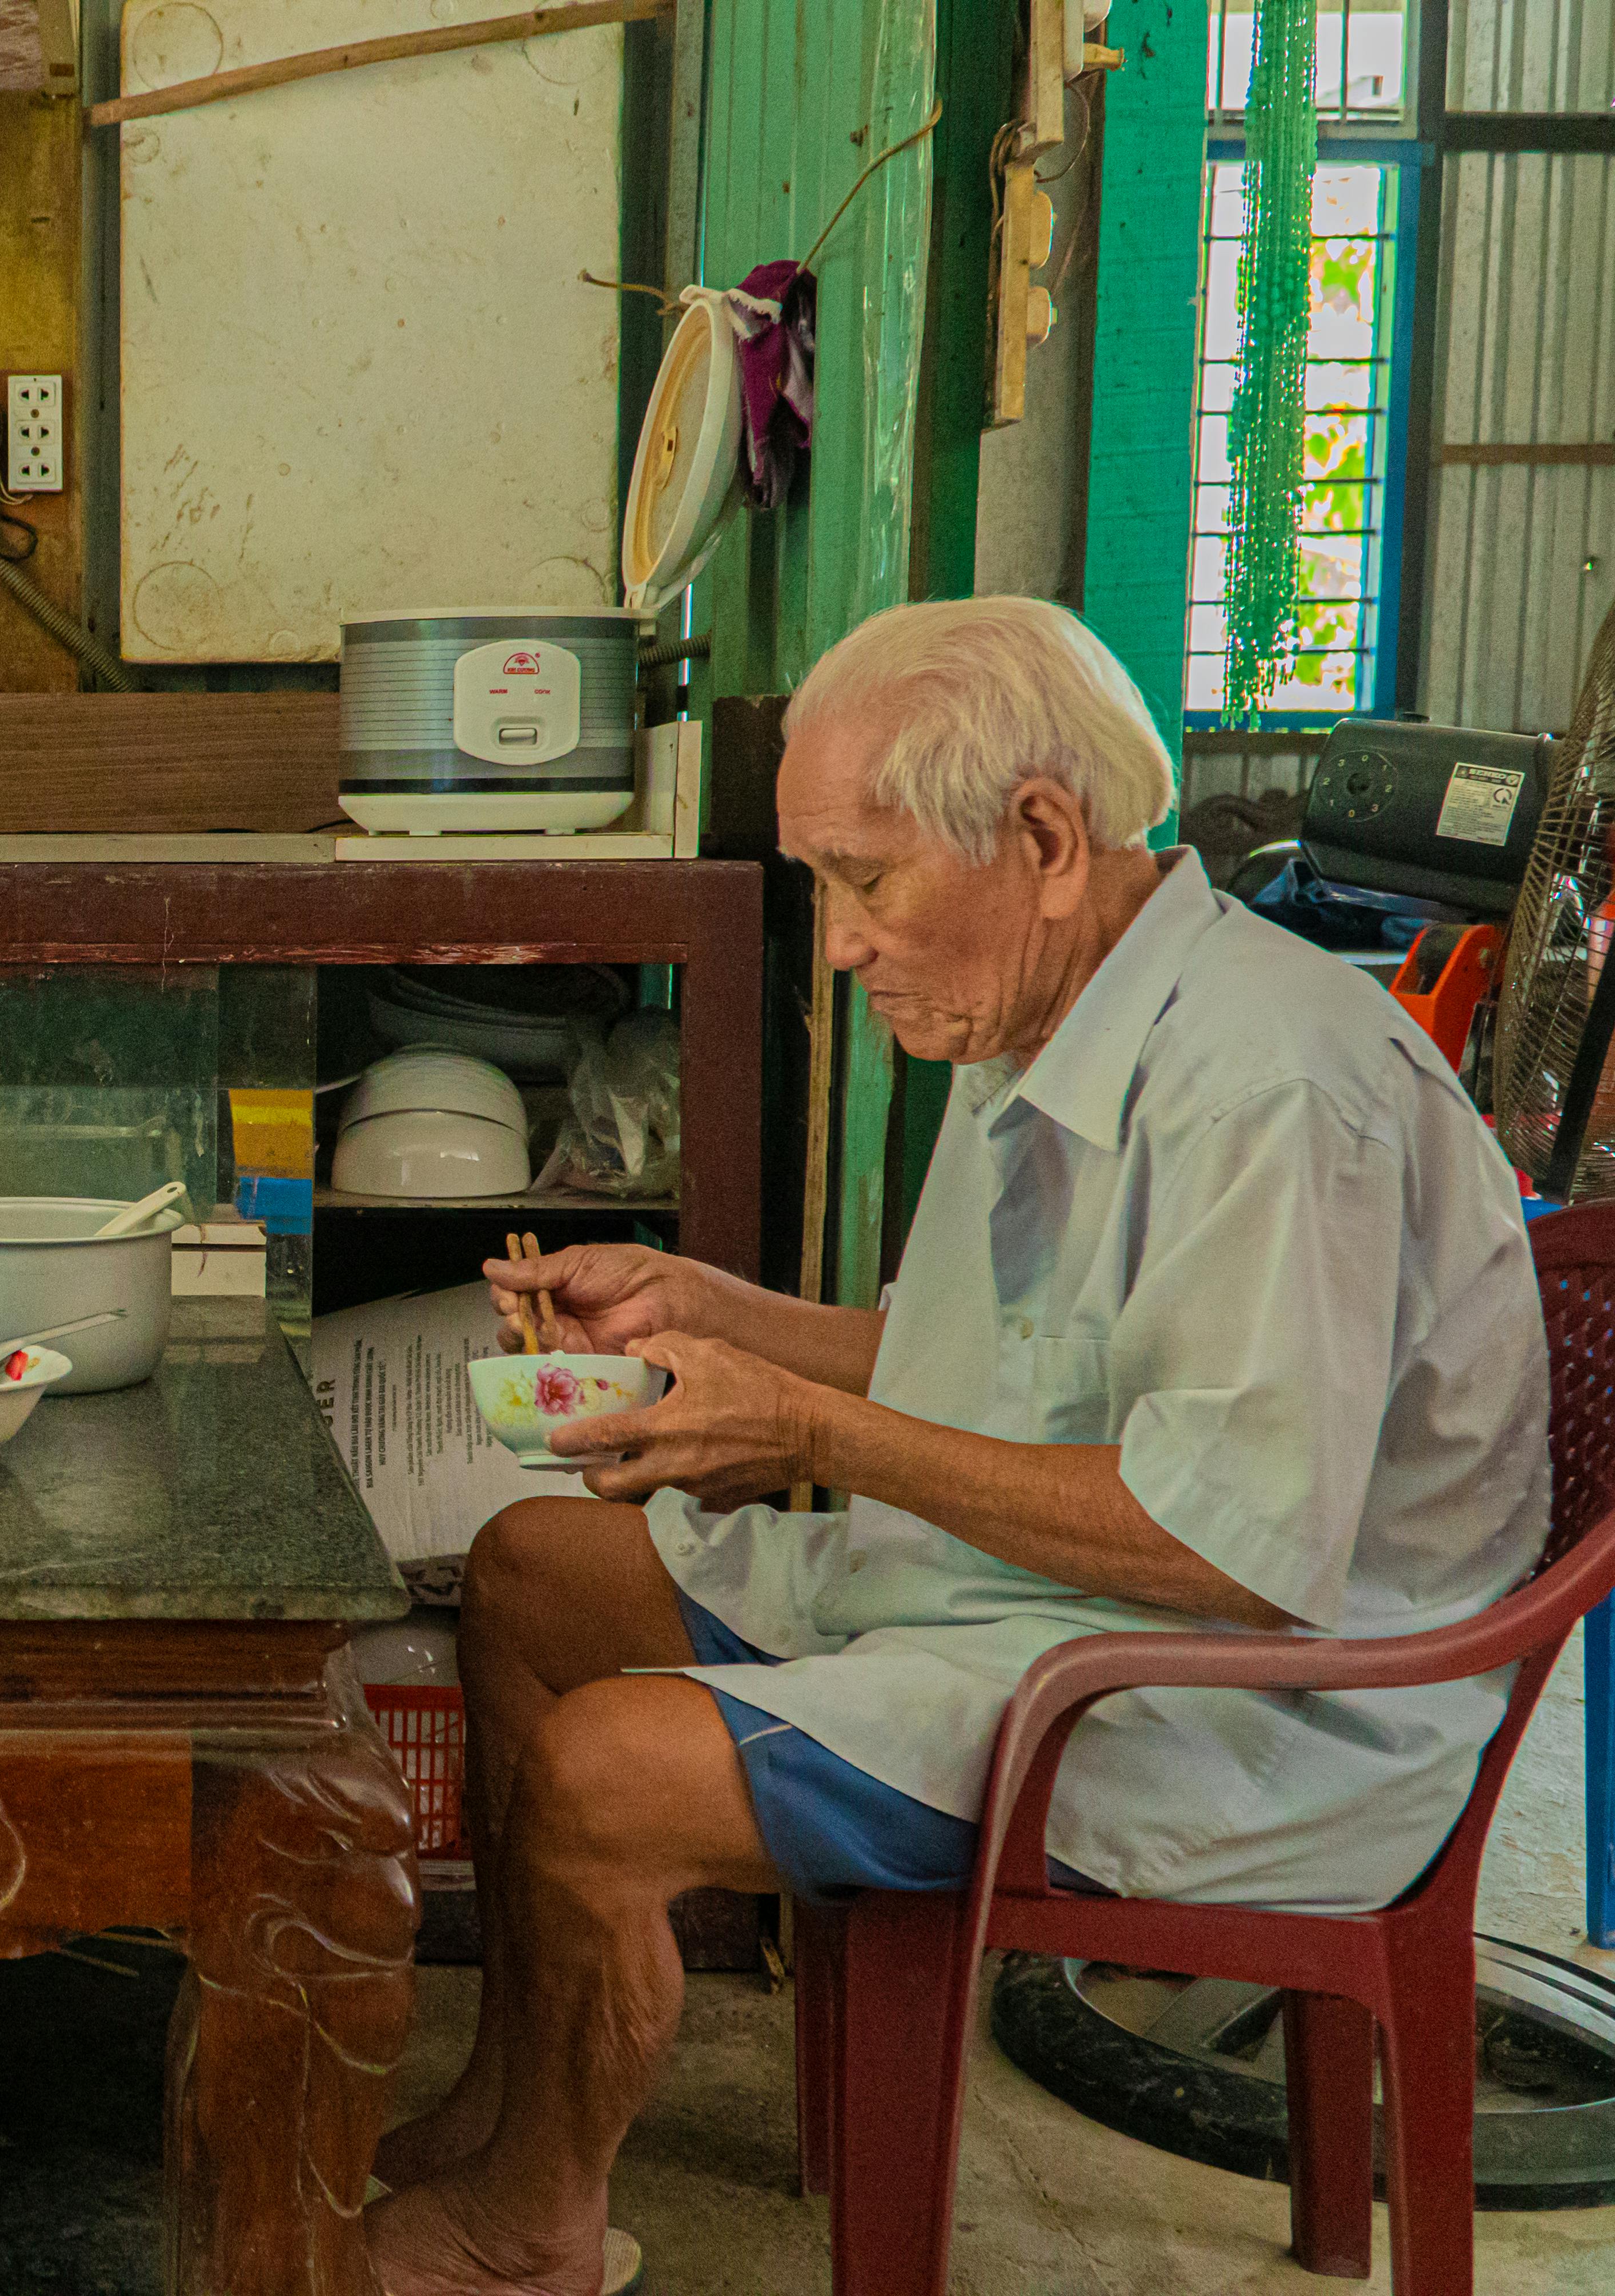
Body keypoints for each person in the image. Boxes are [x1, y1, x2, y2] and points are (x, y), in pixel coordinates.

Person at [366, 595, 1549, 2296]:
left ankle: (530, 2221)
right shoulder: (1054, 1008)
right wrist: (719, 1314)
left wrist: (801, 1428)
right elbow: (995, 1374)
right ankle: (510, 2103)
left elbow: (1223, 1545)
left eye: (866, 879)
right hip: (1070, 1601)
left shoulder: (1271, 1091)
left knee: (608, 1772)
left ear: (1046, 838)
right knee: (534, 1574)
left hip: (1252, 1705)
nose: (839, 943)